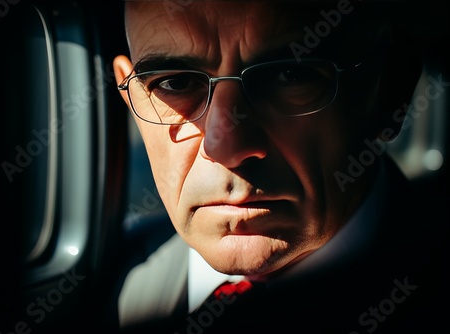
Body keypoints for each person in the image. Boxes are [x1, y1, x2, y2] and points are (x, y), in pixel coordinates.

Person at [113, 0, 449, 333]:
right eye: (176, 83)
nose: (227, 147)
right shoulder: (101, 288)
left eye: (289, 75)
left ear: (392, 91)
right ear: (132, 99)